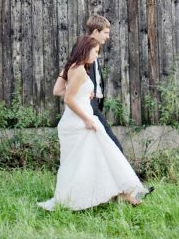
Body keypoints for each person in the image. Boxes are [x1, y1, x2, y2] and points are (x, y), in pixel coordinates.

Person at [38, 36, 151, 211]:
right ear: (86, 49)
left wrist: (83, 94)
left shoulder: (70, 67)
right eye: (95, 52)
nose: (97, 56)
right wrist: (86, 119)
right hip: (80, 122)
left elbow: (59, 90)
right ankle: (120, 193)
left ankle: (120, 193)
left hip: (73, 122)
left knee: (85, 160)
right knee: (103, 154)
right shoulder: (81, 70)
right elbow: (68, 98)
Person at [53, 14, 123, 152]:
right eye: (106, 33)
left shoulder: (93, 50)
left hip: (92, 104)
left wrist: (86, 92)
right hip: (87, 108)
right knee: (113, 146)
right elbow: (70, 71)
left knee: (98, 148)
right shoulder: (84, 50)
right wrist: (82, 100)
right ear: (96, 32)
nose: (108, 36)